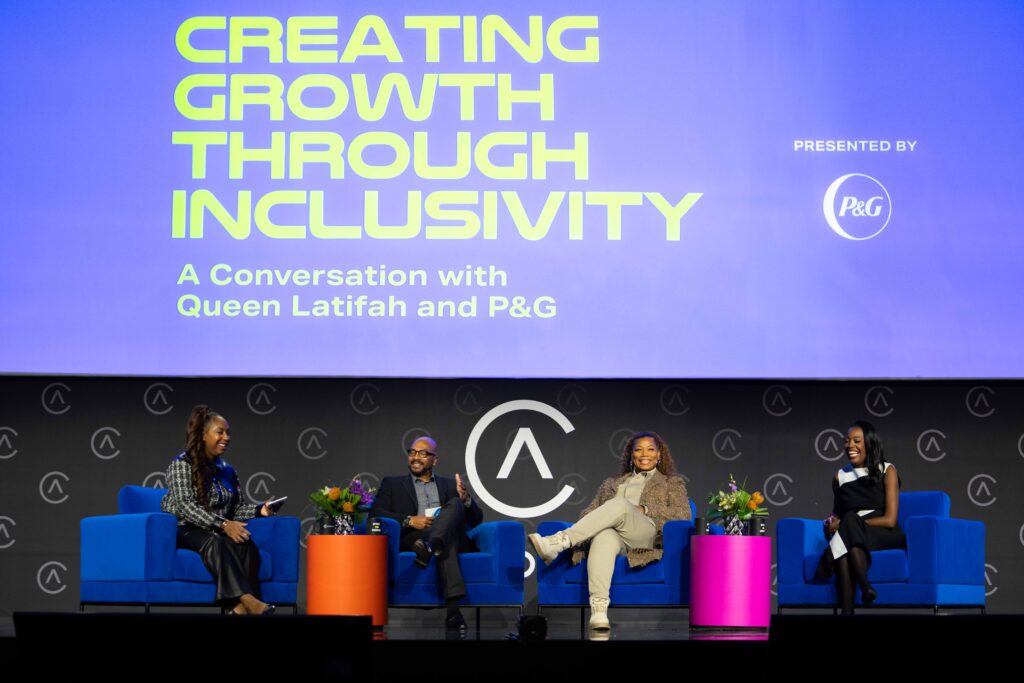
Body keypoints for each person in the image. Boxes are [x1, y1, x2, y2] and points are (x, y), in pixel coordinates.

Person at [529, 431, 690, 630]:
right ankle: (599, 611)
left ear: (659, 455)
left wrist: (646, 509)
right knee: (604, 536)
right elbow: (588, 512)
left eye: (650, 449)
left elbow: (683, 514)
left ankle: (559, 542)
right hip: (617, 538)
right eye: (638, 450)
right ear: (631, 455)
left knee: (620, 504)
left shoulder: (671, 483)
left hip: (646, 536)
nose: (644, 454)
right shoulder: (611, 484)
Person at [162, 405, 276, 615]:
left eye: (228, 433)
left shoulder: (227, 470)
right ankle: (248, 600)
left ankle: (238, 609)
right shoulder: (181, 464)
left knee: (244, 542)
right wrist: (223, 525)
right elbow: (185, 506)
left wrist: (260, 510)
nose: (226, 437)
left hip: (215, 529)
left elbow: (236, 508)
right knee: (216, 542)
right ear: (203, 435)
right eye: (220, 432)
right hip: (185, 529)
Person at [370, 436, 483, 631]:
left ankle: (432, 545)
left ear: (434, 460)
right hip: (414, 536)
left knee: (454, 507)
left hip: (439, 539)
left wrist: (465, 499)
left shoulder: (450, 485)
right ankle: (453, 612)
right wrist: (410, 520)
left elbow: (476, 520)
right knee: (446, 540)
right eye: (412, 452)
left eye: (422, 453)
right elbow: (375, 513)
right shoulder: (392, 484)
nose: (415, 457)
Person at [815, 420, 906, 614]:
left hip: (885, 532)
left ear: (869, 443)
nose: (850, 445)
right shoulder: (840, 476)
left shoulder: (887, 469)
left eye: (857, 441)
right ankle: (856, 601)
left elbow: (890, 519)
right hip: (854, 534)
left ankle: (860, 590)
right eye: (847, 441)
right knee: (846, 538)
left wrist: (848, 523)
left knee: (848, 527)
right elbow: (836, 512)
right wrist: (831, 521)